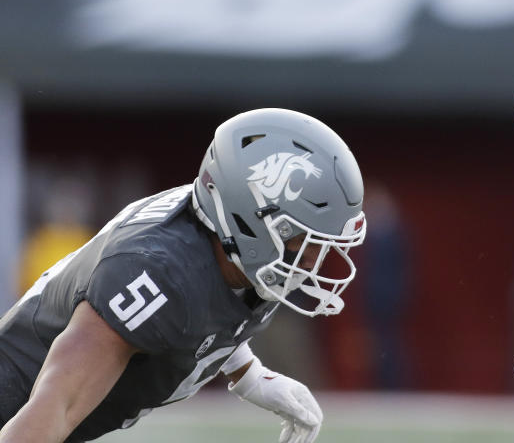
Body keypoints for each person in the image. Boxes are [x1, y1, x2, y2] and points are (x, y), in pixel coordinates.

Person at [0, 108, 367, 443]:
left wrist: (247, 372)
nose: (312, 261)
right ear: (249, 219)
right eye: (303, 240)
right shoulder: (156, 274)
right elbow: (53, 410)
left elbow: (209, 300)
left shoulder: (230, 248)